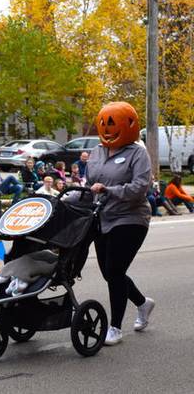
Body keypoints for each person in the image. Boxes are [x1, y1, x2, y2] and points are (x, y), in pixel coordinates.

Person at [87, 101, 154, 346]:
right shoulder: (96, 152)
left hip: (131, 218)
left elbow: (140, 188)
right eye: (103, 123)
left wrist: (109, 190)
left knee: (115, 270)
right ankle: (143, 303)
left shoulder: (138, 153)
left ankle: (115, 328)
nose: (107, 128)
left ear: (130, 124)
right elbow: (89, 184)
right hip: (102, 217)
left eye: (112, 123)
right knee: (110, 273)